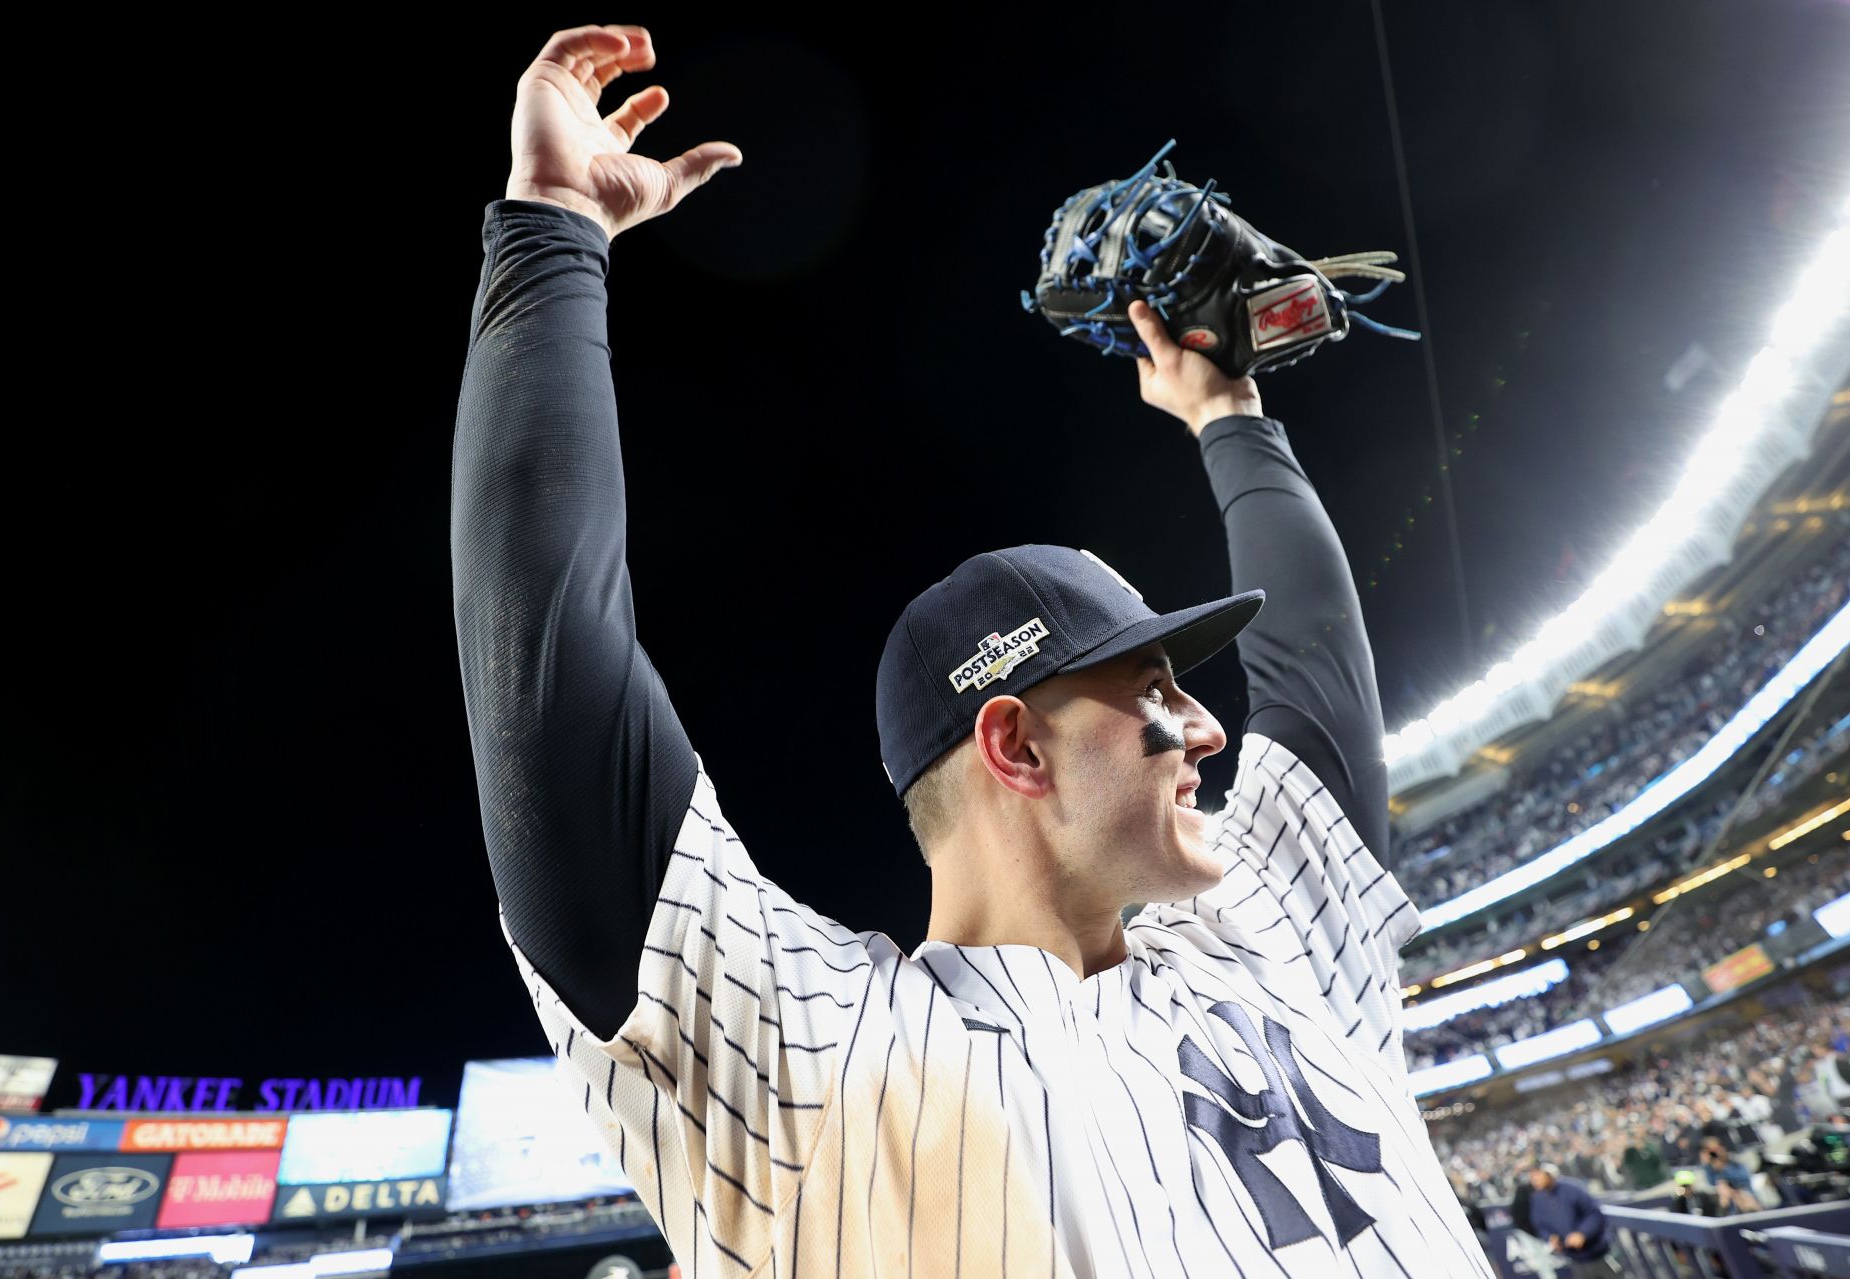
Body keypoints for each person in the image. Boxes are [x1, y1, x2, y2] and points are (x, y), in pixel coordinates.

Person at [449, 21, 1492, 1278]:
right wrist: (552, 235)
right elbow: (551, 685)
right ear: (1014, 743)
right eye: (1150, 688)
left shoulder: (1261, 929)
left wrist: (1231, 413)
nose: (1211, 726)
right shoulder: (831, 1063)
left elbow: (1317, 672)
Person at [1524, 1165, 1618, 1278]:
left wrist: (1583, 1233)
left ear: (1548, 1173)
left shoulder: (1571, 1188)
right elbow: (1540, 1225)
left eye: (1537, 1174)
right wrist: (1550, 1237)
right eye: (1532, 1177)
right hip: (1574, 1259)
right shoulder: (1537, 1199)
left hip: (1598, 1253)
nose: (1534, 1180)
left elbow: (1594, 1214)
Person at [1698, 1138, 1762, 1213]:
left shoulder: (1736, 1163)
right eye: (1712, 1152)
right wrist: (1708, 1165)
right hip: (1729, 1204)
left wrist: (1723, 1168)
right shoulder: (1712, 1169)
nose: (1715, 1153)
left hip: (1746, 1196)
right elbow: (1711, 1182)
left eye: (1716, 1149)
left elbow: (1744, 1177)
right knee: (1722, 1188)